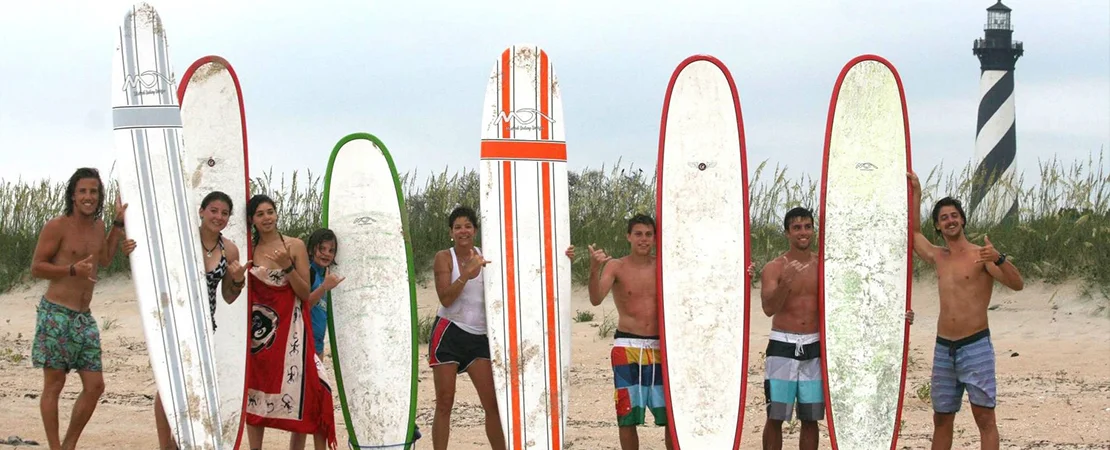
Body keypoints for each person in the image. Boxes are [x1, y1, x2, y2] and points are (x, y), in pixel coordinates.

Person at [908, 172, 1023, 450]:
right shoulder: (938, 256)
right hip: (944, 348)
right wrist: (916, 195)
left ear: (962, 219)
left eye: (954, 215)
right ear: (938, 225)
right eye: (944, 217)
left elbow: (1017, 284)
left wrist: (999, 258)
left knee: (984, 417)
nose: (950, 220)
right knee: (942, 418)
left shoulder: (980, 255)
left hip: (975, 346)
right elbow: (913, 234)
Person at [29, 167, 132, 450]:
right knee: (54, 385)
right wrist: (71, 270)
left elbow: (107, 259)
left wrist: (119, 227)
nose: (89, 197)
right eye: (83, 191)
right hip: (56, 314)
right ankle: (54, 447)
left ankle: (68, 445)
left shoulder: (98, 227)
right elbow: (36, 268)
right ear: (73, 195)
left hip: (83, 318)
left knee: (95, 386)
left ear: (99, 197)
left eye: (94, 192)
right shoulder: (57, 226)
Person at [150, 191, 250, 450]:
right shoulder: (182, 237)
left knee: (194, 385)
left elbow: (228, 295)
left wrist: (239, 279)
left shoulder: (229, 249)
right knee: (168, 385)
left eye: (224, 213)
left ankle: (183, 442)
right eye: (214, 210)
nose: (219, 216)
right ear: (202, 211)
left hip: (205, 325)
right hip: (174, 321)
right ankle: (166, 446)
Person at [566, 213, 673, 450]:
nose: (643, 239)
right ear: (628, 237)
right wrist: (594, 269)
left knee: (671, 416)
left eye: (648, 234)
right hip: (627, 346)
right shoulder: (616, 266)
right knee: (627, 416)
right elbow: (595, 299)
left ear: (655, 238)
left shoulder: (664, 265)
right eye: (638, 234)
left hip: (661, 347)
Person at [243, 194, 340, 450]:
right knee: (256, 393)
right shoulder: (248, 249)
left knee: (311, 393)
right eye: (260, 214)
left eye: (270, 211)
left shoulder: (294, 246)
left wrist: (287, 267)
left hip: (292, 331)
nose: (267, 218)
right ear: (252, 219)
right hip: (257, 336)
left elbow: (304, 293)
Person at [428, 206, 505, 450]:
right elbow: (446, 299)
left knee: (492, 404)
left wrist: (563, 254)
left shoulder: (488, 255)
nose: (463, 231)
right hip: (449, 333)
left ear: (475, 230)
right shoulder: (444, 257)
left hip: (478, 337)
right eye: (458, 227)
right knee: (445, 402)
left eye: (468, 226)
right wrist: (466, 274)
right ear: (451, 232)